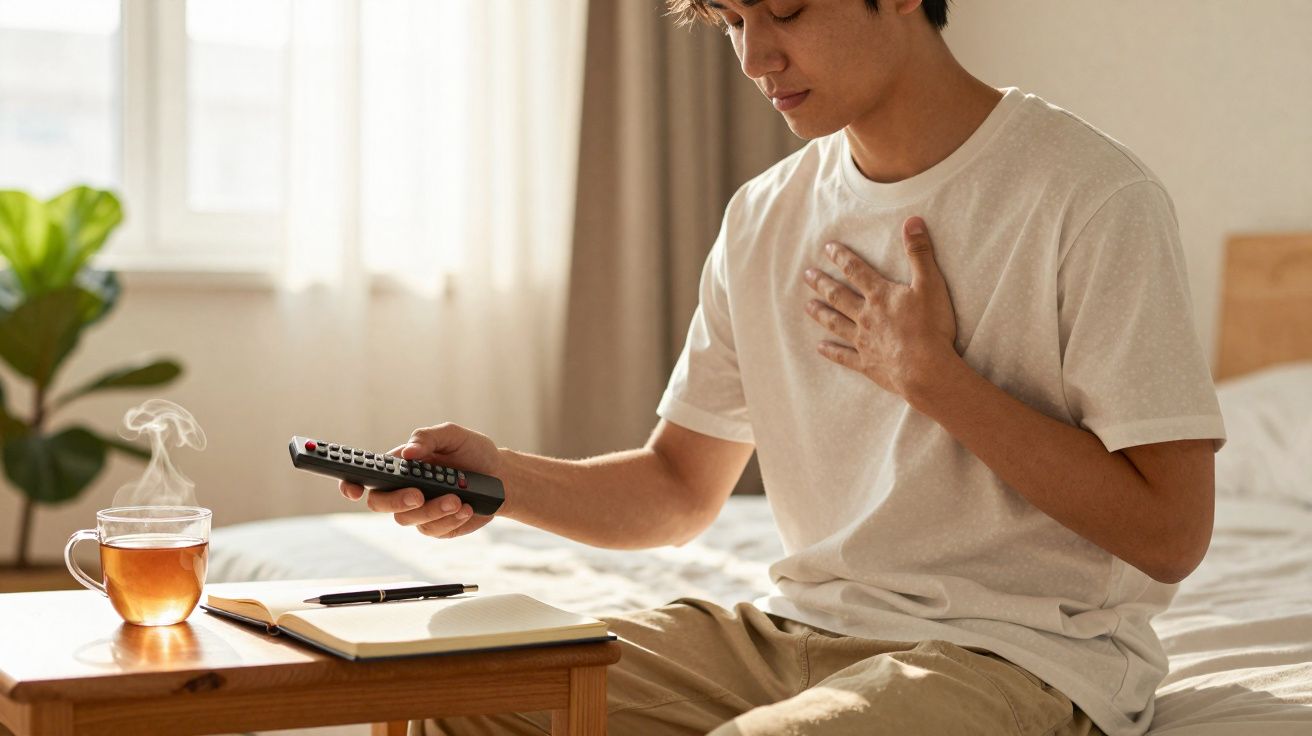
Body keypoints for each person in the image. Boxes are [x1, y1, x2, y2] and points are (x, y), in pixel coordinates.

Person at [342, 1, 1226, 734]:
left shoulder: (1090, 196)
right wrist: (502, 478)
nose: (757, 56)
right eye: (730, 20)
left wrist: (936, 381)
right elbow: (680, 488)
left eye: (787, 9)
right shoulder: (764, 215)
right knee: (461, 695)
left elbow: (1171, 534)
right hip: (792, 630)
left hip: (1017, 654)